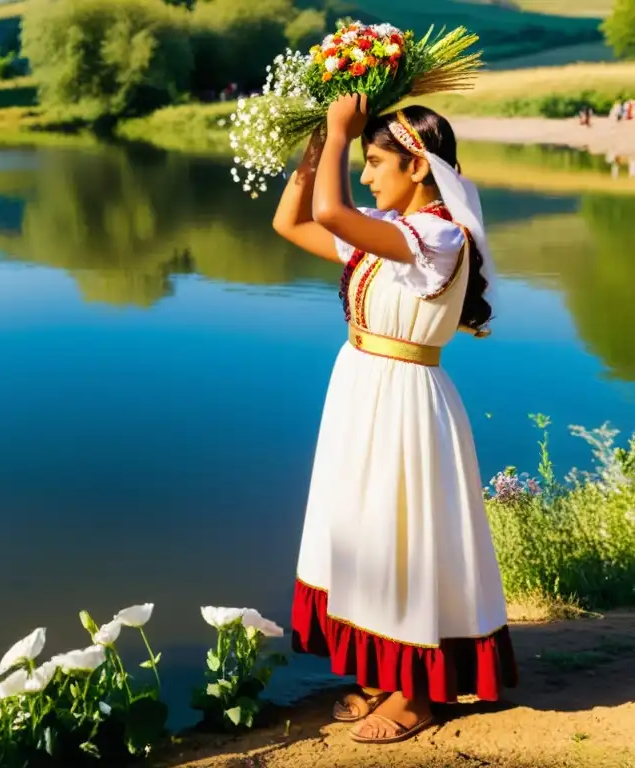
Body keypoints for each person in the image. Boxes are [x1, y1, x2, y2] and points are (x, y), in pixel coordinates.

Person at [272, 95, 518, 745]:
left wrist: (336, 129)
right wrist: (316, 145)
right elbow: (292, 223)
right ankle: (385, 672)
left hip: (405, 398)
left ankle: (419, 693)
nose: (364, 175)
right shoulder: (388, 228)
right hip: (362, 386)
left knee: (404, 536)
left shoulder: (436, 236)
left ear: (417, 167)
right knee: (364, 529)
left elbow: (329, 212)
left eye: (374, 161)